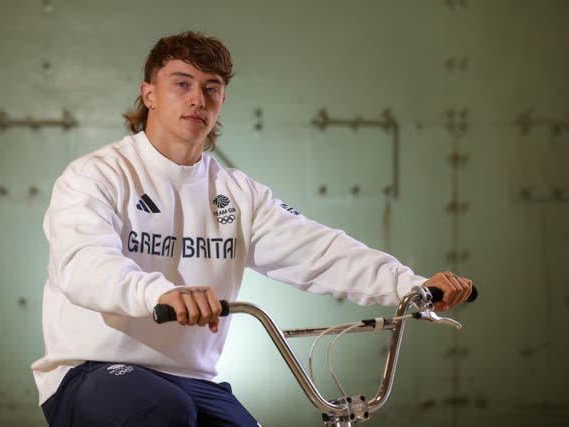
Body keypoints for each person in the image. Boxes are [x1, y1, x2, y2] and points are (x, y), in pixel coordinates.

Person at [31, 31, 473, 427]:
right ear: (149, 94)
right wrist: (159, 294)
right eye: (181, 84)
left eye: (212, 88)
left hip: (191, 379)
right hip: (92, 371)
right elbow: (84, 263)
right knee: (161, 411)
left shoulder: (236, 193)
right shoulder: (97, 175)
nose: (197, 99)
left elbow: (318, 249)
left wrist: (410, 286)